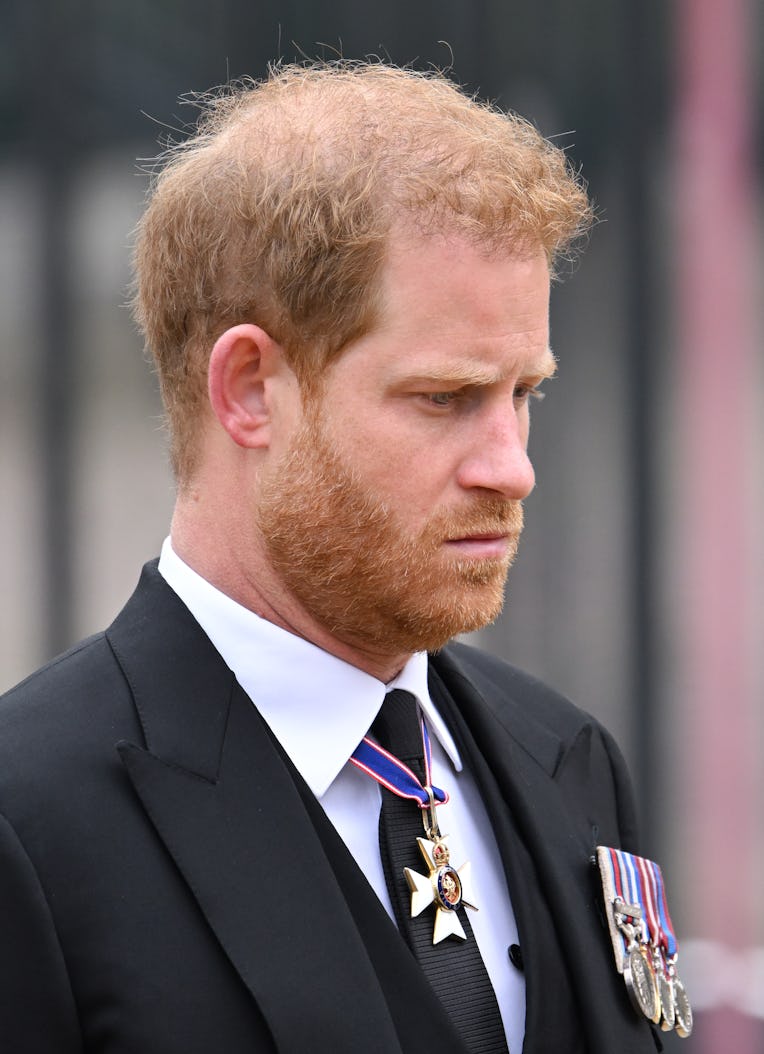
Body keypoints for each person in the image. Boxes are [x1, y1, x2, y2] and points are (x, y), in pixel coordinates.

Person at [0, 62, 670, 1053]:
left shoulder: (565, 760)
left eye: (522, 393)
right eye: (443, 398)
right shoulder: (29, 821)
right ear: (249, 389)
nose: (512, 467)